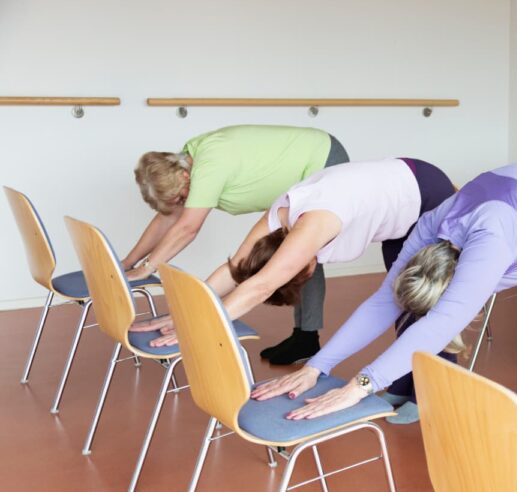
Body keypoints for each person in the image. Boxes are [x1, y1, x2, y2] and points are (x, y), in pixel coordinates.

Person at [251, 160, 517, 460]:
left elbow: (442, 322)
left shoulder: (490, 245)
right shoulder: (432, 226)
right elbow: (382, 301)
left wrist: (359, 386)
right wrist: (317, 367)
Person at [131, 158, 455, 423]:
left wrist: (194, 327)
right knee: (402, 298)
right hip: (399, 202)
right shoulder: (276, 223)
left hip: (424, 195)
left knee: (430, 300)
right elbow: (236, 270)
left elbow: (260, 285)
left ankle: (434, 393)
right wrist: (182, 314)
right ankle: (403, 381)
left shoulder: (312, 226)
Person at [124, 124, 349, 363]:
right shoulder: (182, 163)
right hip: (309, 157)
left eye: (180, 197)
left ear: (185, 177)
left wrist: (149, 268)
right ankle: (305, 337)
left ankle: (306, 337)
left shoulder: (209, 166)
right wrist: (129, 263)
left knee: (303, 253)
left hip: (321, 160)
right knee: (296, 251)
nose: (181, 202)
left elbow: (187, 228)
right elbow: (169, 216)